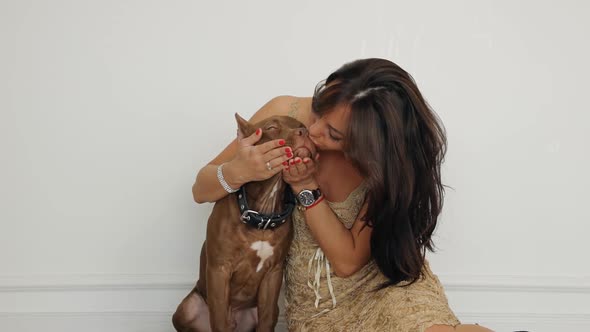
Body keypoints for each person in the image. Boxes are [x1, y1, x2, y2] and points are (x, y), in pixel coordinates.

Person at [192, 58, 492, 332]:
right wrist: (238, 171)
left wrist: (305, 186)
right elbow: (200, 189)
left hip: (387, 284)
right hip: (323, 307)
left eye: (334, 135)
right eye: (320, 110)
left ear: (370, 146)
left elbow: (348, 262)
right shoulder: (284, 113)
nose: (314, 130)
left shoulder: (384, 167)